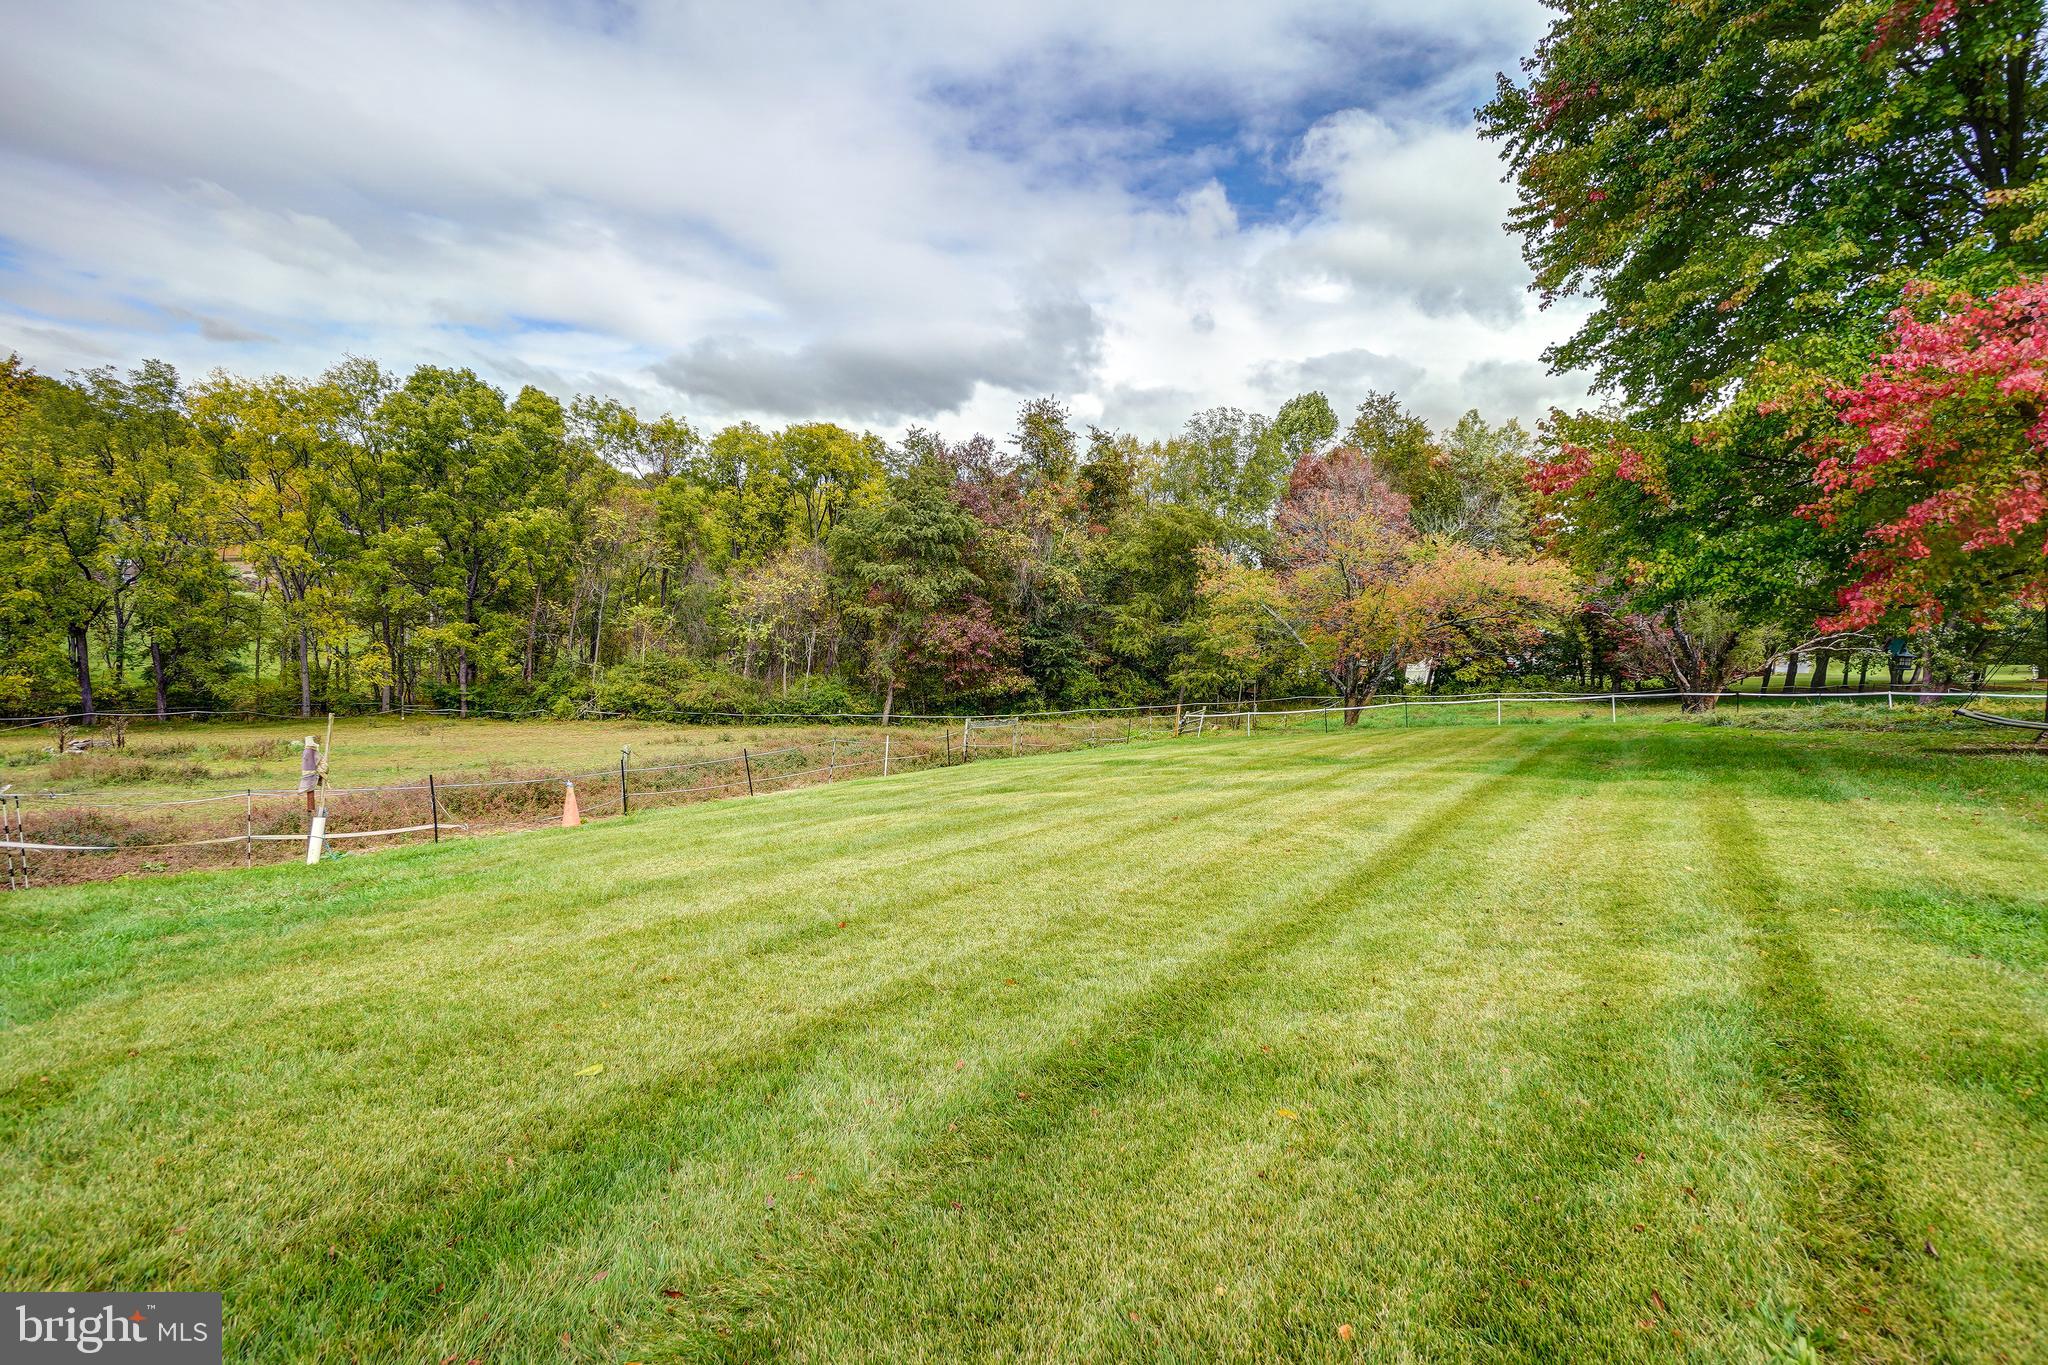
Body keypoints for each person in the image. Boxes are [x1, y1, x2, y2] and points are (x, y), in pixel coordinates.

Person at [300, 736, 322, 813]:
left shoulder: (306, 751)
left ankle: (311, 810)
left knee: (308, 787)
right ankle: (311, 810)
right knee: (310, 787)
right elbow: (318, 759)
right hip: (311, 773)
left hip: (307, 773)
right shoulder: (311, 751)